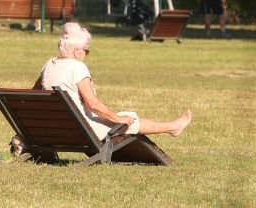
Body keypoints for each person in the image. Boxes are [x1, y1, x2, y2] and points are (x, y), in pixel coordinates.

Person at [32, 21, 193, 141]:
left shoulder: (48, 65)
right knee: (129, 119)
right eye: (86, 50)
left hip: (54, 129)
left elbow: (35, 94)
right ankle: (173, 127)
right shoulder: (77, 68)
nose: (86, 54)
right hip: (80, 130)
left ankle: (172, 127)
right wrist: (118, 119)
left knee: (123, 117)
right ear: (76, 51)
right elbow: (93, 105)